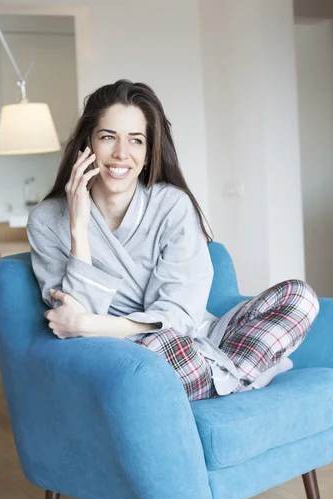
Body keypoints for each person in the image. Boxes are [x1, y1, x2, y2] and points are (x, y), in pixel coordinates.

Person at [27, 79, 319, 402]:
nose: (122, 153)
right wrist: (78, 230)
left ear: (149, 154)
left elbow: (179, 318)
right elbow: (72, 326)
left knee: (300, 297)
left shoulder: (172, 205)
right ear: (88, 145)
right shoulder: (46, 221)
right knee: (154, 348)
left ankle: (222, 377)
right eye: (108, 137)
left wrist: (91, 323)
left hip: (194, 341)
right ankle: (247, 374)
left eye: (135, 141)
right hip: (128, 356)